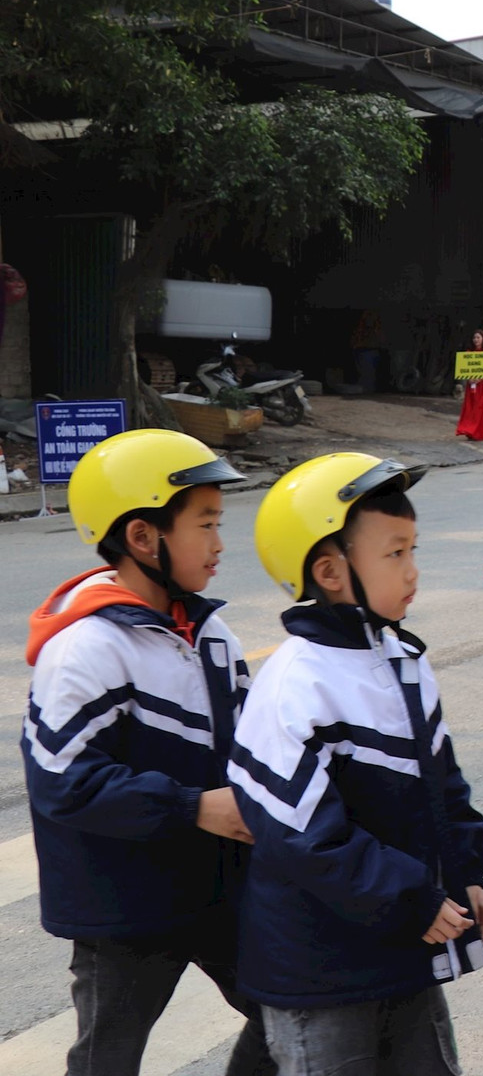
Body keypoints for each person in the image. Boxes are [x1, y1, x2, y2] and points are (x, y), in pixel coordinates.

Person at [230, 454, 483, 1075]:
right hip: (321, 967)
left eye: (413, 550)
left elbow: (443, 786)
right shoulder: (296, 683)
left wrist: (463, 873)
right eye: (394, 554)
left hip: (402, 941)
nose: (413, 572)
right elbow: (305, 836)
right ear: (330, 571)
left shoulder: (402, 659)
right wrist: (414, 895)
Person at [23, 430, 267, 1076]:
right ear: (141, 538)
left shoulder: (212, 634)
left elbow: (256, 745)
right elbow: (64, 783)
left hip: (219, 888)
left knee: (290, 1009)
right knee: (108, 1058)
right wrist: (193, 807)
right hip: (123, 909)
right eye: (205, 524)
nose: (219, 543)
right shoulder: (87, 649)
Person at [456, 330, 483, 442]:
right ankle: (471, 431)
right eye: (474, 338)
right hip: (472, 385)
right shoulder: (469, 353)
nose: (476, 340)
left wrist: (480, 378)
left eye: (478, 337)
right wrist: (470, 378)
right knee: (472, 408)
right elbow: (465, 369)